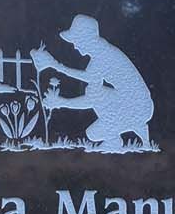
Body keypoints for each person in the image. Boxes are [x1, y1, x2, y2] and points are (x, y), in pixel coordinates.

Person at [31, 14, 155, 151]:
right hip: (140, 105)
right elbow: (92, 90)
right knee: (94, 127)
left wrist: (57, 66)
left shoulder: (104, 56)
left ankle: (118, 138)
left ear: (86, 40)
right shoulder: (102, 54)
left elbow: (91, 93)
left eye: (76, 41)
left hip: (138, 107)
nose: (74, 46)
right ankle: (139, 131)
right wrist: (62, 100)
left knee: (94, 121)